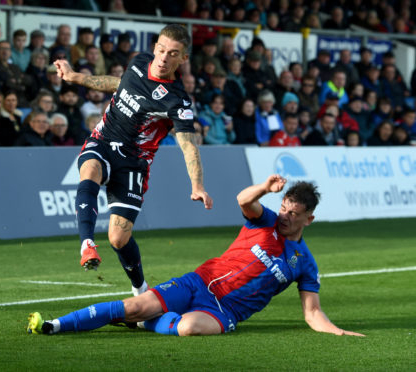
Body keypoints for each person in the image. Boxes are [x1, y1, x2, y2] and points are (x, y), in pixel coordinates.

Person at [27, 174, 365, 338]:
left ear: (309, 219)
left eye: (294, 213)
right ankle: (55, 326)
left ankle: (145, 321)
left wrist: (338, 332)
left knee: (188, 328)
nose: (285, 215)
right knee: (134, 304)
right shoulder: (265, 221)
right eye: (284, 208)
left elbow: (312, 313)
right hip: (199, 281)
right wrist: (265, 188)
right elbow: (243, 200)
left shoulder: (304, 263)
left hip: (226, 310)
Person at [53, 24, 213, 296]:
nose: (164, 58)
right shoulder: (138, 62)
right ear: (154, 48)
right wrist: (74, 77)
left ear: (183, 59)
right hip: (103, 140)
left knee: (118, 238)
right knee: (89, 169)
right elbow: (117, 84)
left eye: (173, 53)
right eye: (161, 50)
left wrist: (197, 186)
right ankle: (87, 244)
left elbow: (189, 147)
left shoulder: (177, 102)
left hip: (133, 163)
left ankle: (140, 289)